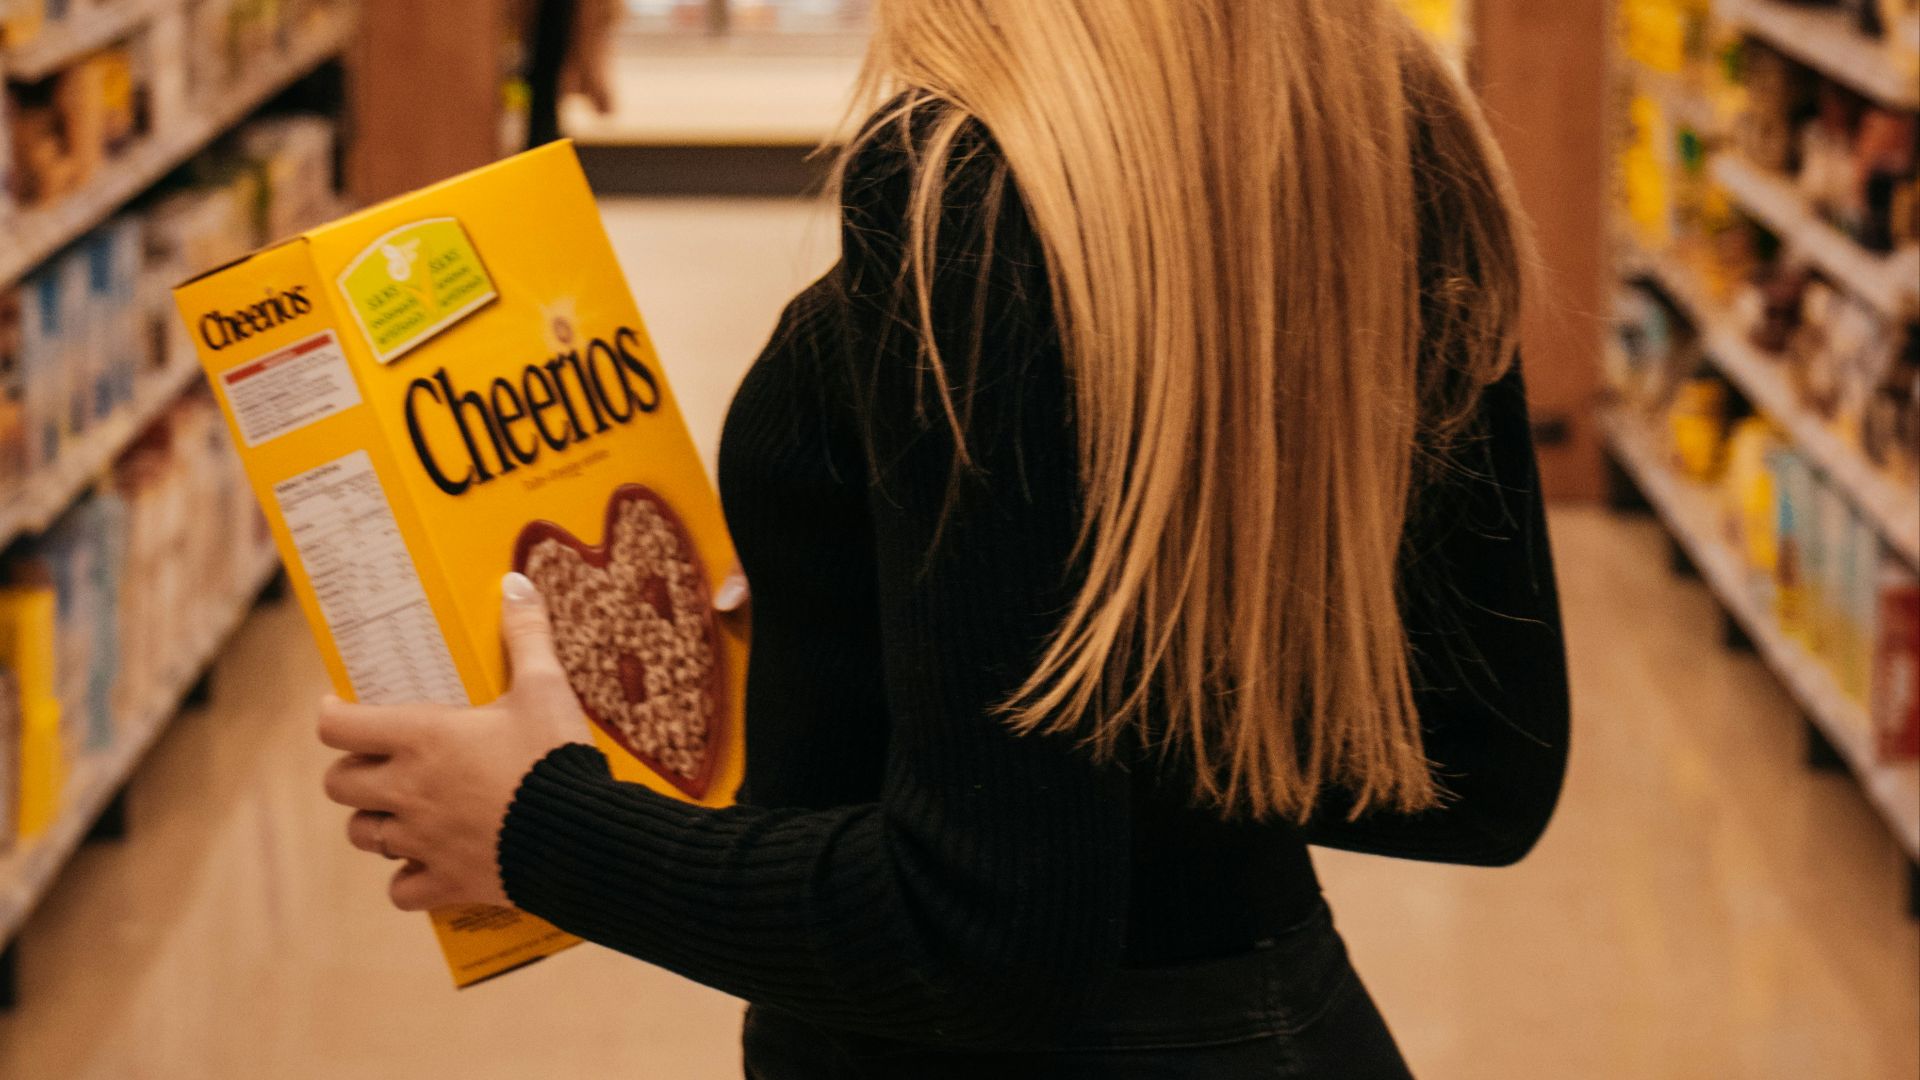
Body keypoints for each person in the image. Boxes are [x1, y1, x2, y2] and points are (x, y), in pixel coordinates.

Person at [316, 1, 1571, 1076]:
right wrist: (905, 599)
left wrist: (534, 825)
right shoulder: (1377, 108)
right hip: (1286, 1019)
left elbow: (984, 937)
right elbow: (1477, 772)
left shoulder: (968, 183)